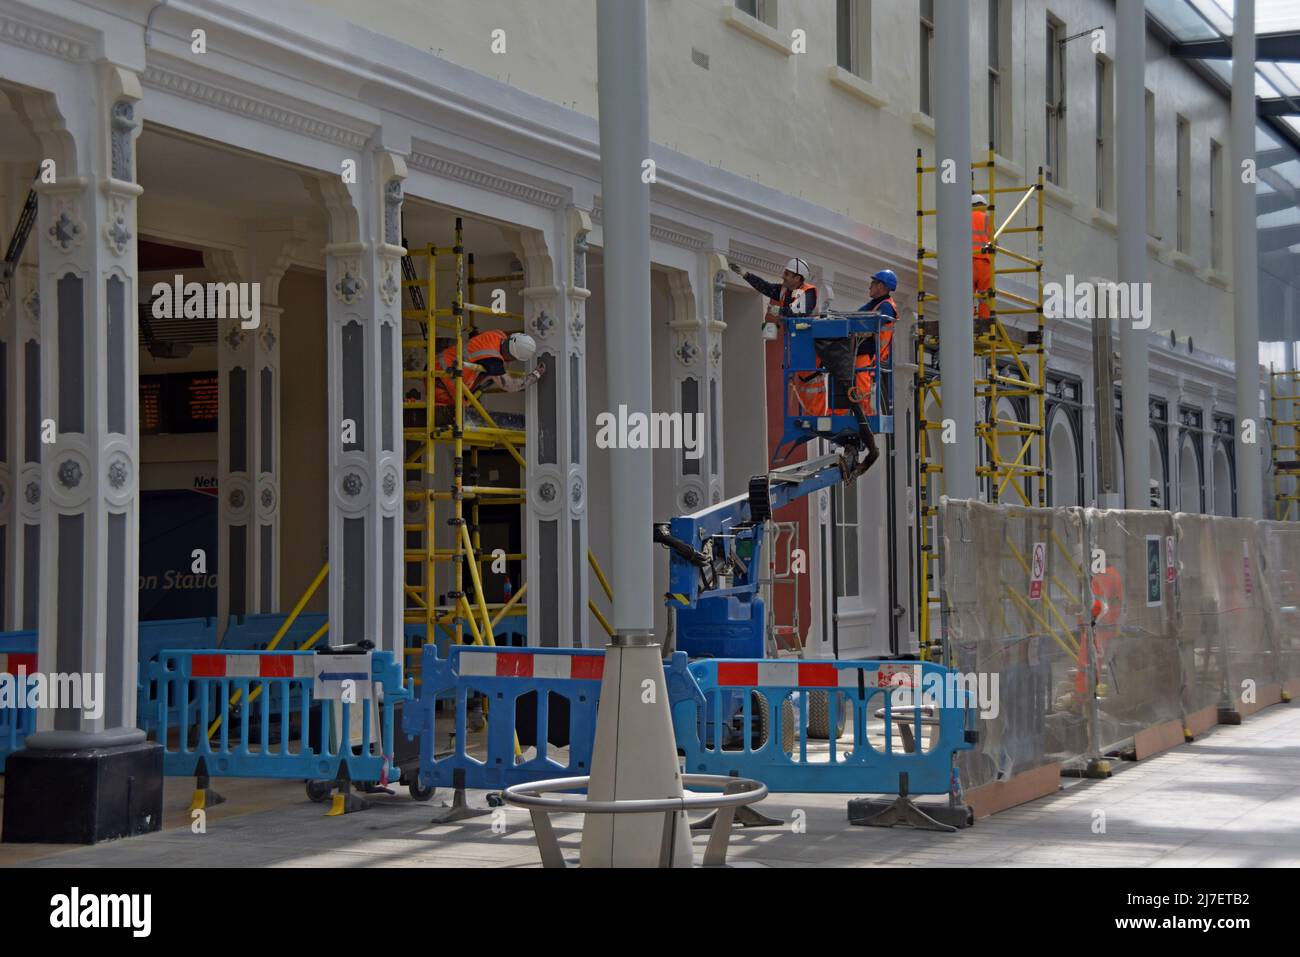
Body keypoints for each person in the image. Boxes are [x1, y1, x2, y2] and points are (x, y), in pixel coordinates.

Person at [730, 257, 878, 479]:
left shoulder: (808, 292)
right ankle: (832, 428)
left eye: (788, 274)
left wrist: (780, 313)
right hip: (799, 354)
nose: (783, 277)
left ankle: (832, 427)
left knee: (814, 393)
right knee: (805, 392)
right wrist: (746, 275)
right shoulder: (783, 291)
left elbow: (798, 313)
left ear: (798, 278)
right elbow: (766, 287)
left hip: (810, 353)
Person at [433, 330, 544, 424]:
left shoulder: (497, 334)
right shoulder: (493, 361)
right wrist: (535, 375)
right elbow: (509, 385)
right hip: (441, 381)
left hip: (438, 364)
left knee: (467, 399)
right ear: (513, 357)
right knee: (459, 412)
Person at [857, 269, 899, 416]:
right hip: (866, 354)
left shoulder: (886, 306)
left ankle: (865, 417)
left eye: (873, 283)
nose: (870, 286)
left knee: (861, 389)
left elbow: (871, 327)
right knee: (858, 389)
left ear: (881, 286)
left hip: (870, 356)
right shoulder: (876, 304)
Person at [971, 194, 993, 319]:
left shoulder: (963, 217)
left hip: (967, 262)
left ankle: (966, 320)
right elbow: (995, 244)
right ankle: (985, 320)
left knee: (966, 295)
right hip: (985, 263)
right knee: (985, 295)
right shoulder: (987, 220)